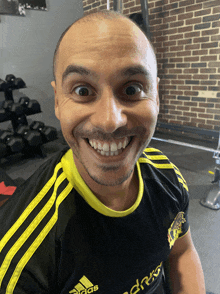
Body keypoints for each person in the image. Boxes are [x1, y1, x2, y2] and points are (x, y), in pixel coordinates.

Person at [0, 10, 206, 294]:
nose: (110, 121)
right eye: (83, 91)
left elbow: (181, 253)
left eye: (132, 89)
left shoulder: (168, 177)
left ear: (156, 96)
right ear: (58, 100)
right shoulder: (22, 252)